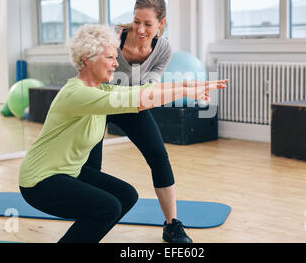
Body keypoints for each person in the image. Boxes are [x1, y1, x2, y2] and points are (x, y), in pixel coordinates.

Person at [18, 23, 227, 243]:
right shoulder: (77, 94)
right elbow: (137, 100)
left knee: (126, 196)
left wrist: (188, 86)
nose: (116, 64)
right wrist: (186, 91)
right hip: (40, 181)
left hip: (68, 172)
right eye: (110, 58)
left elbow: (143, 91)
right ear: (88, 59)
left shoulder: (100, 88)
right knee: (107, 207)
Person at [85, 0, 192, 243]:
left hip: (132, 104)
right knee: (91, 167)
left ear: (161, 24)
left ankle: (172, 225)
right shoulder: (111, 38)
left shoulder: (163, 50)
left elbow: (149, 90)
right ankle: (89, 218)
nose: (141, 29)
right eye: (136, 21)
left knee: (159, 157)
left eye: (148, 23)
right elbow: (87, 73)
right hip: (99, 103)